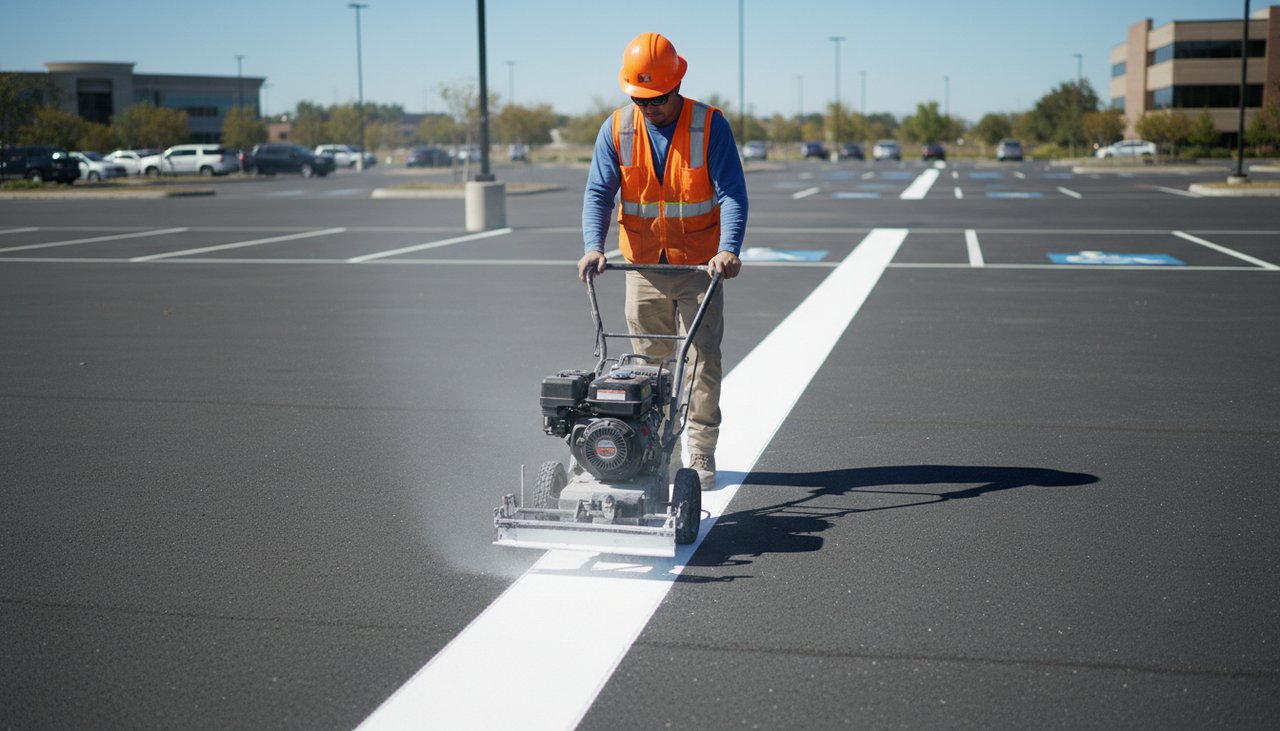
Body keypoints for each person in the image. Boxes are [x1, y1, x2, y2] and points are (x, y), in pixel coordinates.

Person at [578, 32, 748, 489]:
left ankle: (701, 449)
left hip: (699, 267)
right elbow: (598, 192)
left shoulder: (709, 125)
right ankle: (653, 451)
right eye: (640, 99)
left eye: (657, 99)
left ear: (677, 85)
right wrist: (594, 246)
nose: (649, 107)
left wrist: (728, 248)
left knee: (702, 362)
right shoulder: (617, 128)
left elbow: (732, 193)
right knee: (647, 367)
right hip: (642, 267)